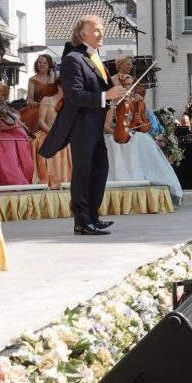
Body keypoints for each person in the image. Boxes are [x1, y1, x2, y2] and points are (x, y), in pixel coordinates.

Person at [39, 15, 126, 235]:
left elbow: (100, 91)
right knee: (83, 172)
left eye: (102, 29)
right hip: (81, 125)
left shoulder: (95, 58)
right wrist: (107, 94)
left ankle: (93, 216)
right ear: (82, 34)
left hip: (95, 125)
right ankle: (82, 221)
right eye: (96, 29)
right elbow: (75, 95)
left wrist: (114, 90)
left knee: (99, 170)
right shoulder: (72, 59)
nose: (101, 33)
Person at [102, 77, 183, 202]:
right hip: (117, 136)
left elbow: (144, 127)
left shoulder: (136, 102)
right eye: (125, 85)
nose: (128, 88)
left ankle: (146, 176)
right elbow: (106, 126)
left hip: (134, 135)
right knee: (119, 143)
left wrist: (140, 112)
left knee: (144, 139)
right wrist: (119, 132)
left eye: (130, 85)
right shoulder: (114, 103)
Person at [32, 81, 71, 189]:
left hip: (65, 134)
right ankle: (48, 180)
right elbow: (41, 121)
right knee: (42, 143)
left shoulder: (71, 100)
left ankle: (67, 180)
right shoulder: (47, 100)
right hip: (48, 131)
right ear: (59, 86)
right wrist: (52, 133)